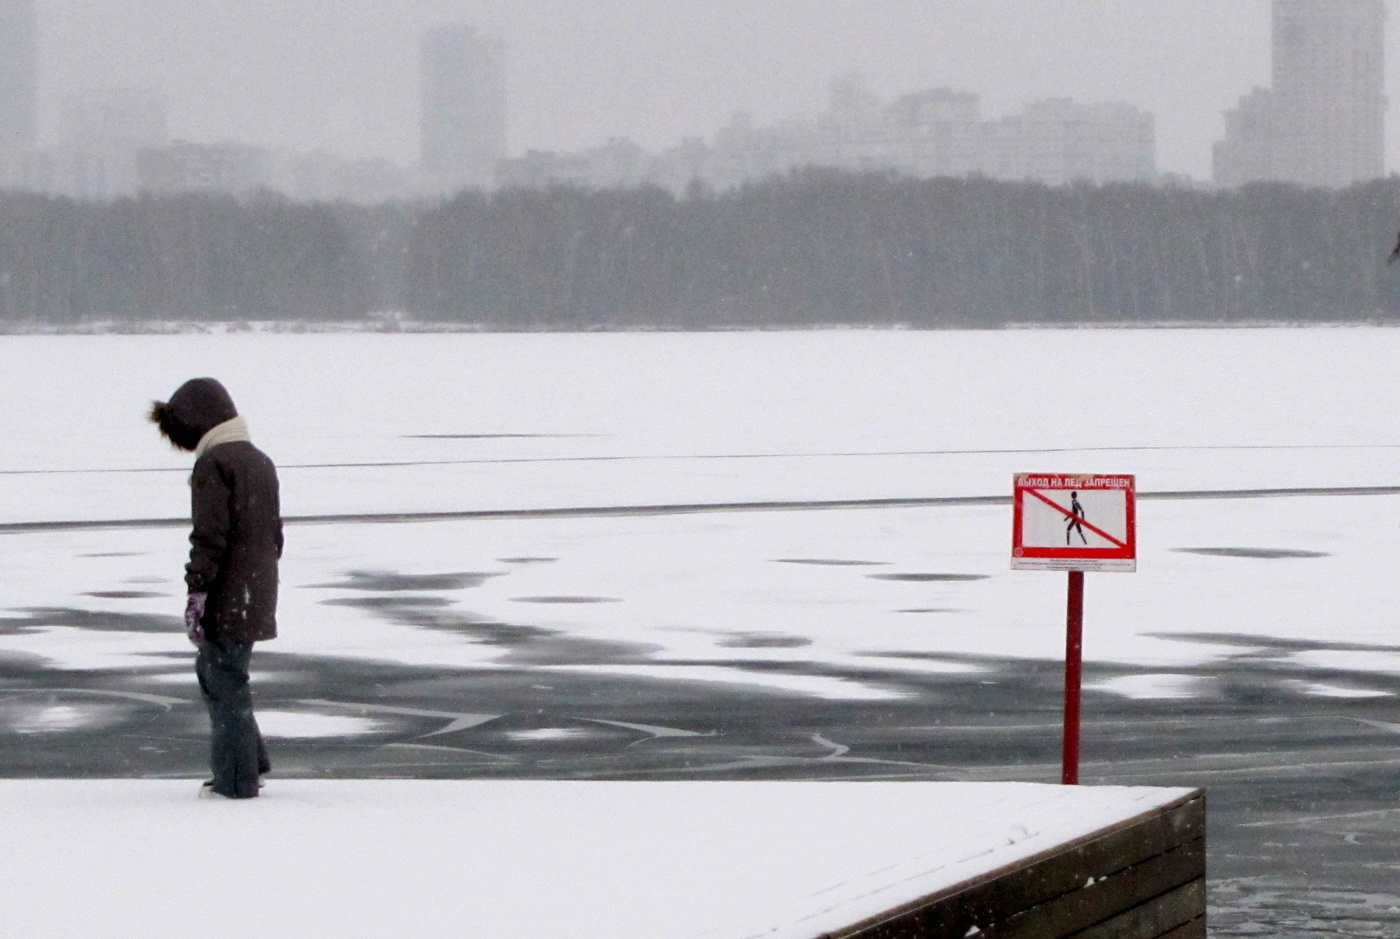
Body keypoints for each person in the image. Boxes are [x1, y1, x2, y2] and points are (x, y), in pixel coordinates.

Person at [150, 378, 282, 799]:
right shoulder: (258, 460)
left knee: (223, 679)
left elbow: (209, 537)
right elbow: (274, 535)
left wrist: (197, 591)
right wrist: (256, 579)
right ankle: (249, 761)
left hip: (228, 592)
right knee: (222, 674)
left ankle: (237, 779)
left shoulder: (214, 465)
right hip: (256, 588)